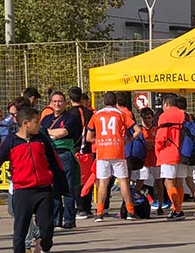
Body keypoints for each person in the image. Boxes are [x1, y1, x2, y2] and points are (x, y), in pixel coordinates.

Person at [0, 106, 69, 253]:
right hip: (23, 192)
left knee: (47, 229)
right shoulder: (11, 142)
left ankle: (46, 250)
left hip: (44, 191)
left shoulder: (41, 139)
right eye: (36, 121)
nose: (39, 124)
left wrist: (64, 188)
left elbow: (56, 163)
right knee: (20, 229)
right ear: (26, 123)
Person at [86, 92, 138, 222]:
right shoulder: (121, 114)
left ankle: (99, 213)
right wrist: (127, 140)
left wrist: (98, 140)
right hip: (117, 151)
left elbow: (88, 137)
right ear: (116, 103)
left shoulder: (96, 115)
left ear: (103, 102)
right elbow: (137, 130)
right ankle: (130, 211)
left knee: (103, 182)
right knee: (123, 182)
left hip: (102, 152)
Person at [40, 91, 82, 229]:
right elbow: (39, 131)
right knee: (54, 189)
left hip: (65, 154)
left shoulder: (71, 118)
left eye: (60, 101)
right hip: (50, 155)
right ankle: (56, 220)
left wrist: (49, 133)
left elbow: (64, 132)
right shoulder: (46, 119)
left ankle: (69, 220)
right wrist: (53, 134)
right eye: (55, 101)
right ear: (51, 103)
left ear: (65, 103)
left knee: (68, 187)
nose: (57, 104)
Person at [155, 94, 188, 221]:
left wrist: (158, 151)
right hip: (184, 153)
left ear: (167, 104)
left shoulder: (164, 117)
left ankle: (177, 209)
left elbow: (160, 138)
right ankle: (178, 208)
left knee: (168, 181)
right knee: (179, 181)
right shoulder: (185, 115)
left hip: (168, 152)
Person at [172, 96, 195, 217]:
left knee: (179, 182)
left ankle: (177, 208)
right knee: (190, 182)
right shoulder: (191, 117)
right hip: (191, 153)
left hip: (182, 153)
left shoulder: (179, 117)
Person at [68, 87, 96, 219]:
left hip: (75, 149)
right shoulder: (90, 113)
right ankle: (87, 206)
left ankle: (80, 208)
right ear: (82, 98)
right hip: (88, 149)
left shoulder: (69, 114)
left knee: (77, 180)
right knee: (88, 179)